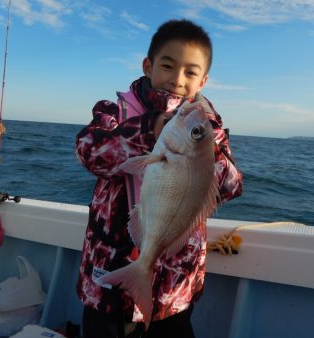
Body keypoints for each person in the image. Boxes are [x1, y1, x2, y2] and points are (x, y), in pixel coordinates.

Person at [75, 19, 243, 338]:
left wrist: (206, 148)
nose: (177, 80)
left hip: (174, 285)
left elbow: (231, 186)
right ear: (148, 66)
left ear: (203, 80)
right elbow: (88, 150)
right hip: (109, 275)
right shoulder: (114, 113)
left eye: (190, 72)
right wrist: (147, 130)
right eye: (168, 66)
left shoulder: (210, 131)